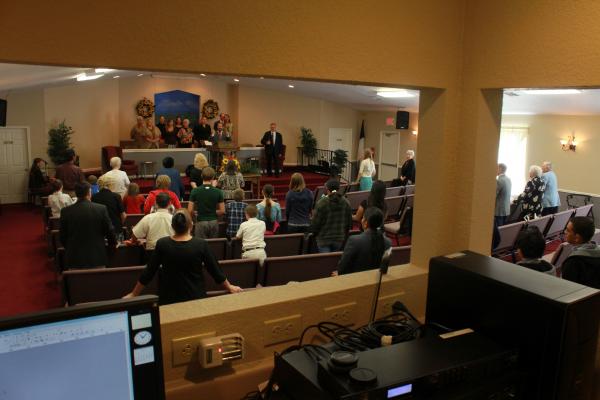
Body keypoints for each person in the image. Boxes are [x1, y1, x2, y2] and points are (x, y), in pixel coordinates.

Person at [124, 209, 242, 305]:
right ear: (191, 225)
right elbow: (215, 271)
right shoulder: (201, 244)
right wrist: (229, 287)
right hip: (195, 298)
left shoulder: (162, 244)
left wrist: (134, 293)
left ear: (172, 226)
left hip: (169, 299)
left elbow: (149, 271)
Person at [60, 182, 117, 269]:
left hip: (75, 257)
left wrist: (70, 248)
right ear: (89, 193)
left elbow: (62, 236)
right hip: (97, 256)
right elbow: (109, 231)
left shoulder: (65, 211)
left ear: (76, 193)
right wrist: (112, 245)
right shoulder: (101, 209)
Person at [336, 207, 392, 275]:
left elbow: (342, 267)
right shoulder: (388, 242)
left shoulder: (354, 240)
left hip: (355, 279)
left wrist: (338, 273)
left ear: (365, 223)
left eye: (363, 218)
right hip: (377, 278)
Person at [311, 179, 352, 253]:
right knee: (333, 259)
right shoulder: (346, 202)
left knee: (325, 260)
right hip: (339, 238)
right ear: (338, 188)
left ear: (327, 189)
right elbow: (348, 223)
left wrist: (314, 234)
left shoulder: (321, 203)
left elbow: (316, 223)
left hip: (324, 239)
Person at [562, 217, 600, 289]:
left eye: (568, 230)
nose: (565, 232)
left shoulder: (573, 262)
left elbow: (567, 287)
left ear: (577, 238)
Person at [188, 167, 224, 238]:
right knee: (213, 244)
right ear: (213, 177)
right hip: (213, 222)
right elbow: (222, 211)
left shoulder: (195, 191)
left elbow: (189, 210)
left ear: (201, 176)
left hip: (201, 222)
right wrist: (212, 212)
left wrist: (196, 213)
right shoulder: (218, 192)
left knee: (200, 244)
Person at [92, 175, 126, 240]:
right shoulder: (116, 196)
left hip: (100, 230)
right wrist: (119, 224)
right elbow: (123, 215)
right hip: (116, 228)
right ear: (110, 185)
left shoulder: (94, 197)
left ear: (99, 185)